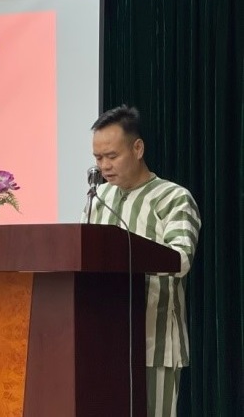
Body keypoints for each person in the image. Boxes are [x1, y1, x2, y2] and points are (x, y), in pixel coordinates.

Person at [82, 105, 201, 417]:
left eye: (112, 156)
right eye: (98, 158)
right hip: (102, 342)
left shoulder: (173, 198)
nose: (104, 166)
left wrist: (125, 254)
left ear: (137, 149)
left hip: (154, 345)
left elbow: (181, 259)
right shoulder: (98, 198)